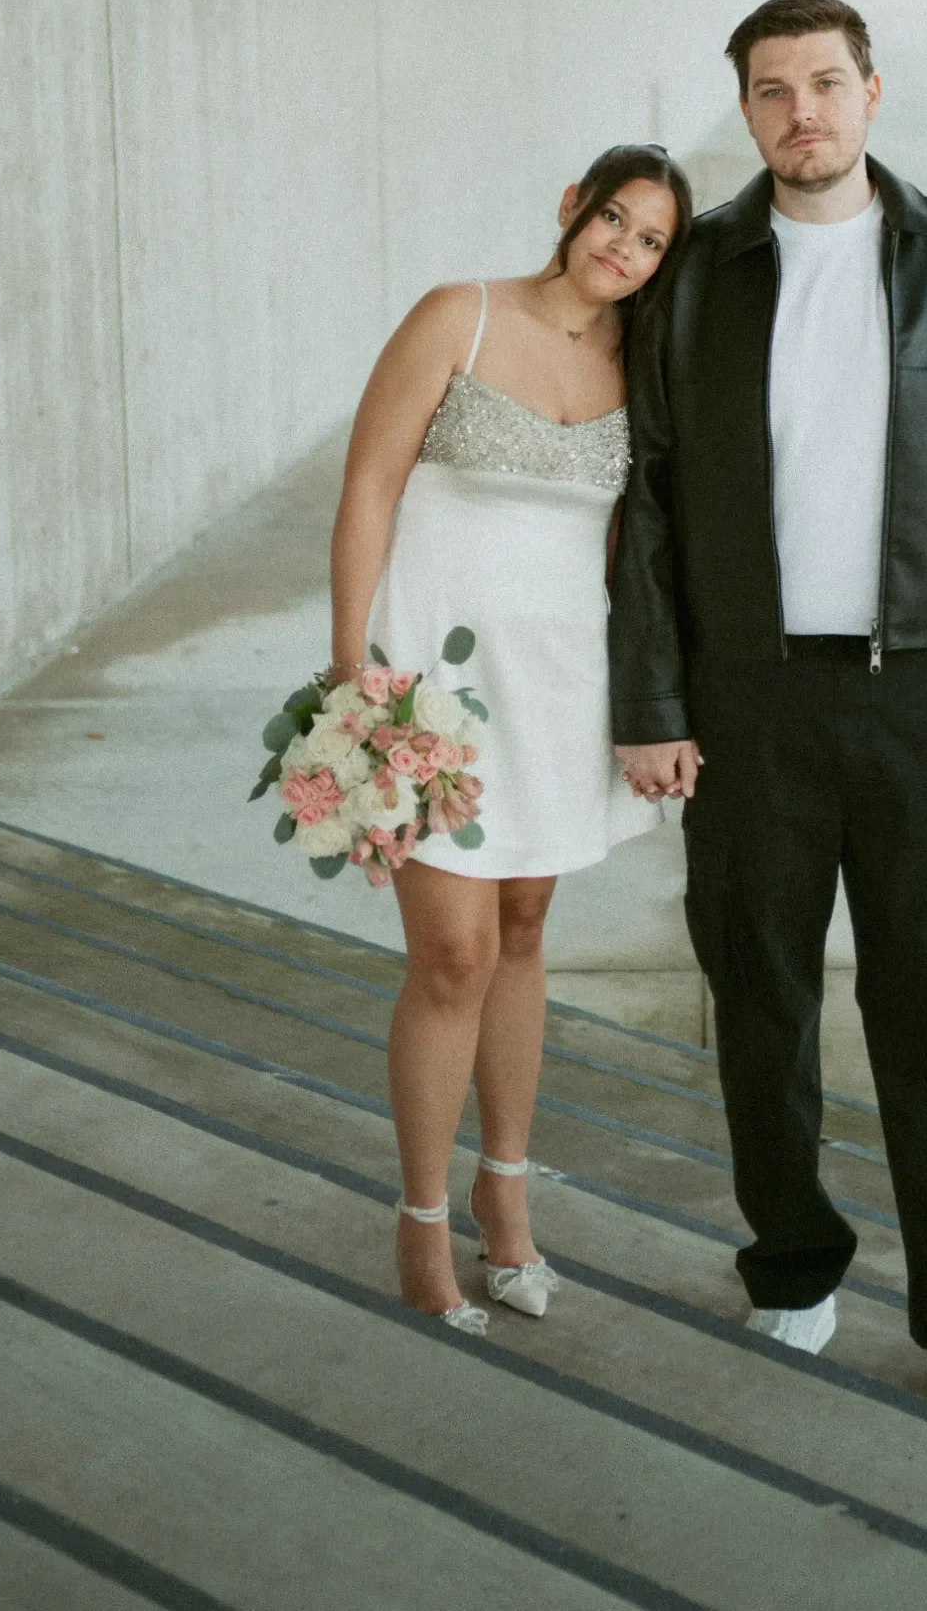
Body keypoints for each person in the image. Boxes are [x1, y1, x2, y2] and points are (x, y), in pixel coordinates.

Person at [609, 0, 927, 1449]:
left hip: (922, 687)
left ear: (873, 91)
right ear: (744, 112)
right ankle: (793, 1265)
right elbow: (654, 512)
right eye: (770, 88)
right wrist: (656, 702)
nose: (801, 110)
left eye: (824, 82)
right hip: (747, 695)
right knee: (760, 998)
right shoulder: (698, 276)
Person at [328, 144, 692, 1332]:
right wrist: (356, 682)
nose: (622, 251)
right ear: (570, 208)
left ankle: (509, 1204)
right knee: (449, 958)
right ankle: (421, 1221)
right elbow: (369, 486)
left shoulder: (645, 364)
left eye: (649, 243)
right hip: (433, 680)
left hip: (561, 689)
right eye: (613, 221)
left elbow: (635, 551)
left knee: (525, 930)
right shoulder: (459, 315)